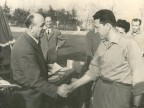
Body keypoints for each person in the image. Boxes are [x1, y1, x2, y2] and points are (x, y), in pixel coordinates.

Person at [63, 9, 144, 108]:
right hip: (99, 91)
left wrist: (136, 105)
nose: (96, 31)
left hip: (119, 94)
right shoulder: (103, 43)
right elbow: (94, 70)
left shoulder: (129, 44)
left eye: (97, 27)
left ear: (108, 26)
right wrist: (72, 87)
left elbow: (139, 78)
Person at [11, 13, 68, 108]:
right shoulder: (26, 48)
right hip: (30, 97)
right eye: (42, 26)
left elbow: (33, 64)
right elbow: (35, 81)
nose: (45, 28)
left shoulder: (29, 40)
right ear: (31, 27)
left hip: (33, 93)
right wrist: (57, 90)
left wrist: (48, 67)